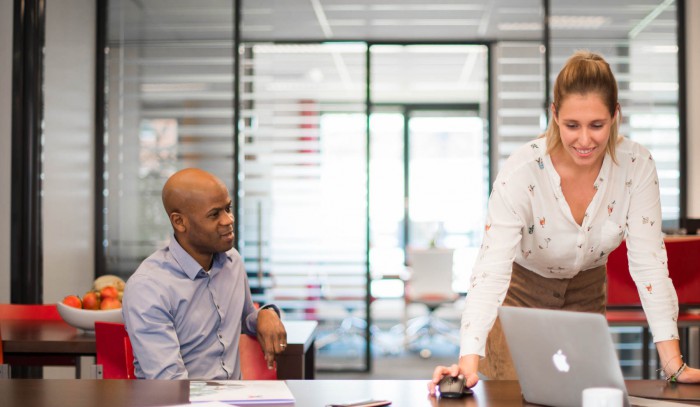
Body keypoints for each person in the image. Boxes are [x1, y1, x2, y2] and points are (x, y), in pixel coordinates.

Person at [429, 50, 699, 394]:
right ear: (554, 114)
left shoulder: (637, 165)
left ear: (615, 115)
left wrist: (674, 366)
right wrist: (467, 364)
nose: (584, 140)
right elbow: (491, 268)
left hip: (586, 294)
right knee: (514, 397)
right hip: (520, 297)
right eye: (572, 125)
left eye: (597, 125)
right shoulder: (522, 172)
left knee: (582, 396)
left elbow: (649, 265)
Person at [122, 168, 287, 380]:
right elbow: (170, 385)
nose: (228, 220)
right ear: (179, 222)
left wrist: (266, 314)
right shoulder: (148, 287)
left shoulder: (232, 262)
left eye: (228, 208)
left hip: (233, 399)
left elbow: (244, 318)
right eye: (214, 214)